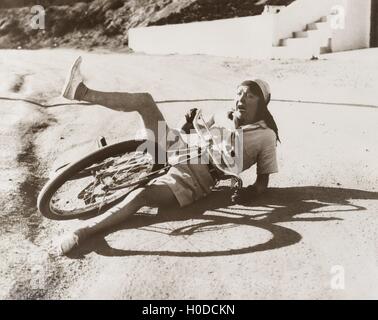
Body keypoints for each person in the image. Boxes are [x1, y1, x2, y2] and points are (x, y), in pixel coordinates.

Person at [58, 56, 280, 255]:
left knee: (141, 196)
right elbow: (190, 132)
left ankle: (83, 232)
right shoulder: (222, 114)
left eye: (249, 96)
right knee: (145, 101)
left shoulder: (266, 136)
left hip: (196, 176)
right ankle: (81, 93)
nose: (240, 99)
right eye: (239, 93)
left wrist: (250, 193)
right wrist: (187, 124)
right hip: (180, 146)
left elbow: (263, 183)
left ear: (262, 103)